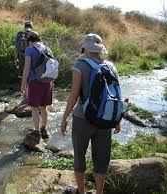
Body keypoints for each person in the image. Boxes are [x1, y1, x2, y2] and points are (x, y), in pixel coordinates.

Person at [60, 33, 121, 194]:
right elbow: (116, 95)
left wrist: (64, 117)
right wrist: (117, 119)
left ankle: (81, 191)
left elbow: (74, 95)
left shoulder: (79, 66)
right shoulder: (111, 67)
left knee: (79, 158)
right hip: (106, 120)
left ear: (85, 48)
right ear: (100, 49)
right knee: (101, 161)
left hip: (82, 119)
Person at [20, 31, 53, 139]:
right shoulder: (47, 49)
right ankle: (44, 128)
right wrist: (51, 82)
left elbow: (26, 68)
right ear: (39, 39)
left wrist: (23, 83)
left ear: (30, 41)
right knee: (43, 107)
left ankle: (36, 131)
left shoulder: (29, 50)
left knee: (34, 108)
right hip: (47, 81)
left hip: (35, 81)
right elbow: (52, 67)